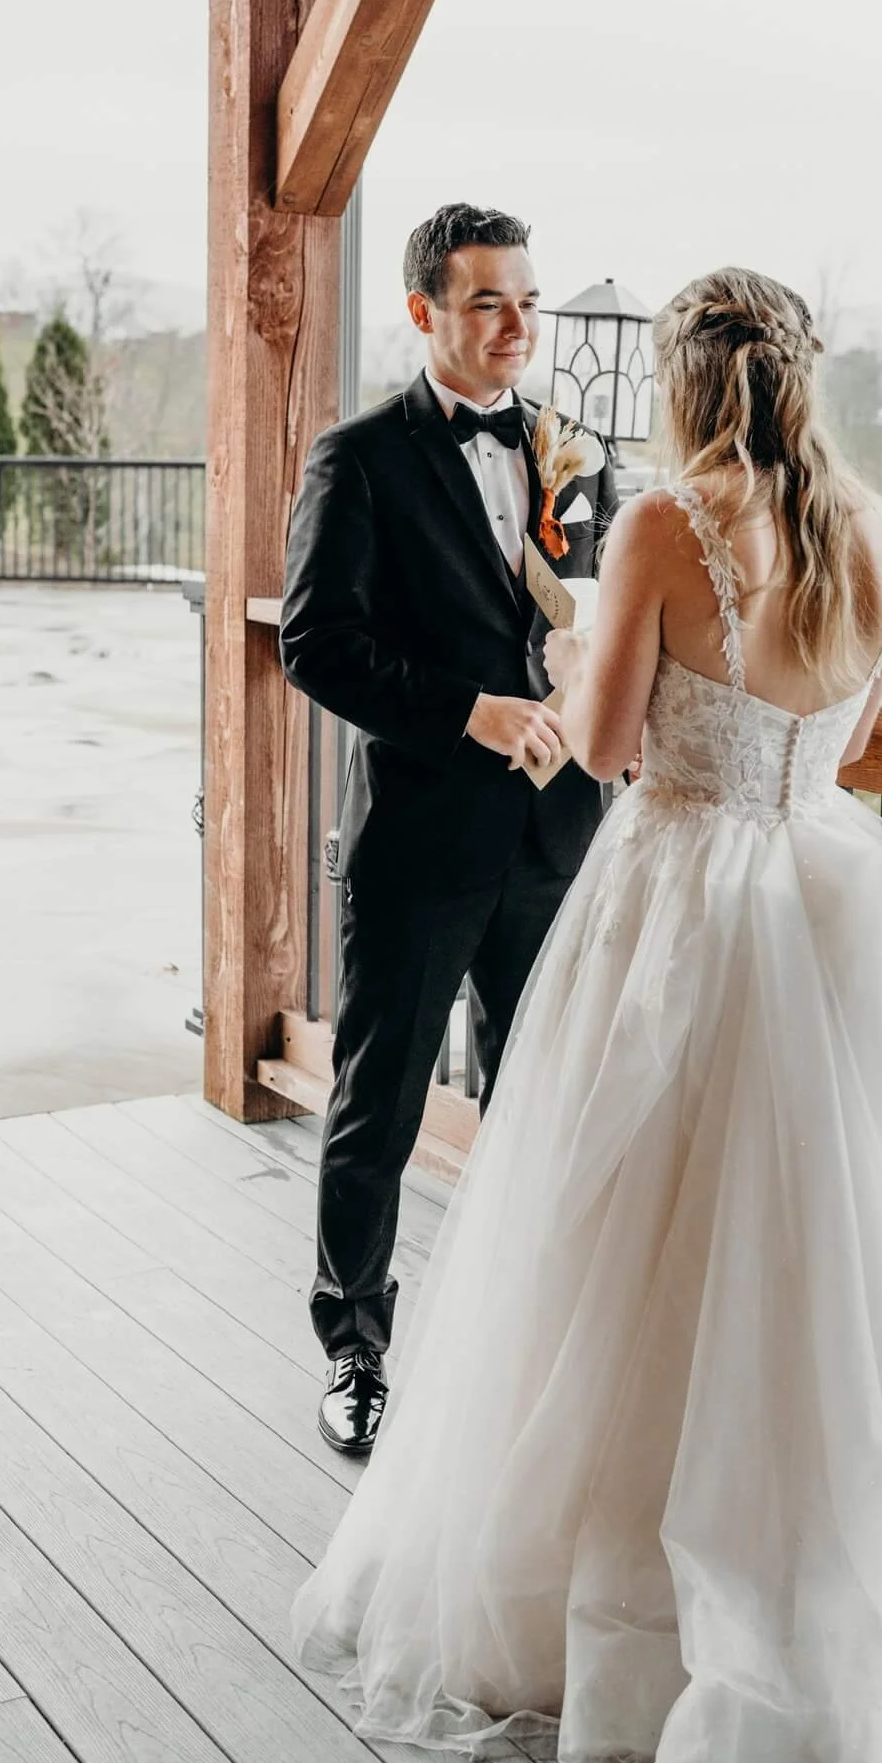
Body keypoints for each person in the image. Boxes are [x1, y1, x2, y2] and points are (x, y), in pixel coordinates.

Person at [292, 265, 882, 1763]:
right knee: (826, 1256)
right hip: (824, 893)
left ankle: (618, 1612)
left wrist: (574, 646)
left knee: (626, 1234)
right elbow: (852, 723)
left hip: (684, 902)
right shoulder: (877, 531)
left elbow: (621, 744)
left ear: (690, 379)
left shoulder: (660, 523)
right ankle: (831, 1571)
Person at [279, 202, 617, 1457]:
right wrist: (466, 715)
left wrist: (587, 710)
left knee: (545, 1101)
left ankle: (524, 1348)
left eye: (527, 298)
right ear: (424, 311)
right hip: (423, 842)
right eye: (487, 300)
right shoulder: (358, 456)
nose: (517, 322)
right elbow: (317, 643)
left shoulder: (575, 452)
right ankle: (355, 1348)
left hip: (556, 841)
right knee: (382, 1102)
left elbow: (596, 620)